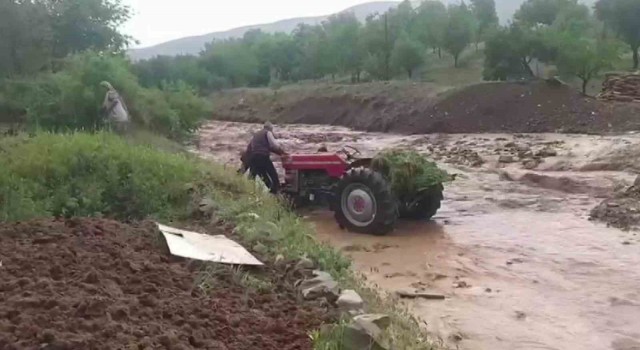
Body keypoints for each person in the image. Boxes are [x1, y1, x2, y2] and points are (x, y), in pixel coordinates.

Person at [247, 122, 286, 194]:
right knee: (273, 174)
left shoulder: (256, 134)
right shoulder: (267, 133)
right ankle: (276, 190)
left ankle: (249, 191)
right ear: (270, 128)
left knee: (260, 175)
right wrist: (282, 152)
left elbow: (250, 147)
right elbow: (274, 145)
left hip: (254, 157)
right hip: (263, 156)